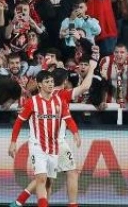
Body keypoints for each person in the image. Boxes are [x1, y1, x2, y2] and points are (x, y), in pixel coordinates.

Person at [8, 70, 80, 207]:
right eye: (47, 82)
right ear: (39, 85)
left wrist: (76, 133)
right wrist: (13, 142)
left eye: (51, 81)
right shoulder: (32, 102)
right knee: (41, 178)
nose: (50, 84)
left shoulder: (59, 101)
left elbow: (68, 118)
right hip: (37, 145)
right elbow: (19, 122)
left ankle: (20, 201)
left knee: (47, 181)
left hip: (54, 146)